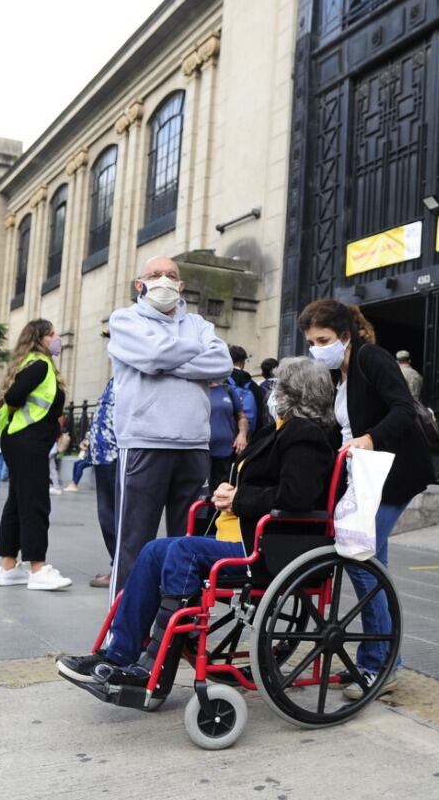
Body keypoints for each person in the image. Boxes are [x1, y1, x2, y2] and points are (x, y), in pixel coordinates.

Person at [55, 356, 337, 688]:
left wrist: (238, 499)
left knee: (182, 552)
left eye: (278, 386)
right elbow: (266, 484)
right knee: (153, 551)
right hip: (241, 535)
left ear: (294, 392)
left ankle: (152, 669)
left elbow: (296, 497)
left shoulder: (306, 436)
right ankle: (117, 653)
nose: (271, 392)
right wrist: (230, 490)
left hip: (266, 547)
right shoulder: (276, 432)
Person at [300, 299, 434, 697]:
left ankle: (379, 663)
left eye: (322, 339)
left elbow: (403, 409)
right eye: (310, 341)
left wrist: (371, 437)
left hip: (391, 475)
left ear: (344, 335)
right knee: (374, 564)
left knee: (361, 562)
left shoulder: (371, 358)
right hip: (365, 477)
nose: (315, 347)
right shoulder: (339, 374)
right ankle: (385, 658)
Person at [107, 256, 232, 592]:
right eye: (155, 274)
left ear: (182, 285)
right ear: (140, 283)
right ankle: (123, 632)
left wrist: (165, 360)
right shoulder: (124, 320)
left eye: (171, 275)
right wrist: (187, 356)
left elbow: (222, 362)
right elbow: (152, 356)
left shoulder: (198, 323)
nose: (164, 280)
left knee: (189, 545)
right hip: (144, 442)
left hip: (193, 445)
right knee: (134, 543)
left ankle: (182, 633)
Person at [0, 319, 72, 591]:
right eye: (52, 333)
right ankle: (38, 567)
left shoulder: (33, 363)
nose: (57, 337)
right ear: (40, 338)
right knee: (35, 501)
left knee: (18, 500)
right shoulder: (40, 365)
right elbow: (14, 397)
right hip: (29, 439)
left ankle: (8, 567)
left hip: (21, 439)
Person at [79, 378, 120, 589]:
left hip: (114, 456)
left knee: (112, 515)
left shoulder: (131, 375)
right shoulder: (118, 377)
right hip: (103, 455)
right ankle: (119, 567)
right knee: (107, 514)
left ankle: (121, 570)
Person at [207, 380, 248, 490]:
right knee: (203, 495)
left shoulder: (227, 390)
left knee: (223, 492)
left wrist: (242, 434)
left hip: (226, 452)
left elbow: (241, 417)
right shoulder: (196, 389)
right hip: (202, 453)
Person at [226, 345, 268, 431]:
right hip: (249, 434)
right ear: (243, 362)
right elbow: (261, 412)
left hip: (227, 432)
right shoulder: (253, 385)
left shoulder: (222, 382)